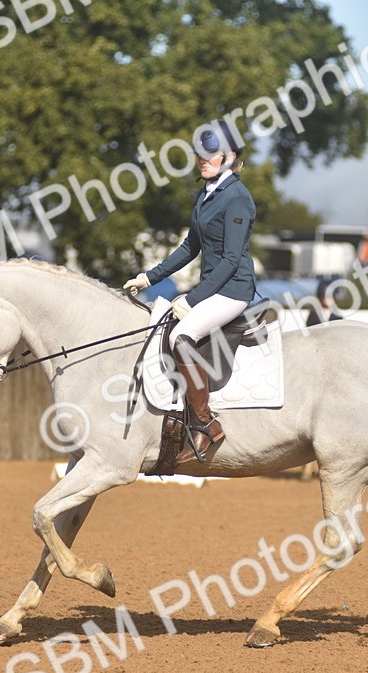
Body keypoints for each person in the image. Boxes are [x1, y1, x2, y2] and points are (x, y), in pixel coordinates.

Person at [123, 120, 256, 464]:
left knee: (182, 335)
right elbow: (189, 248)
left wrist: (192, 299)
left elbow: (230, 260)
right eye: (201, 153)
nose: (203, 159)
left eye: (211, 154)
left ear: (230, 157)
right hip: (214, 288)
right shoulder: (206, 195)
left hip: (233, 289)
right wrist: (148, 278)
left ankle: (205, 424)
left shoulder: (238, 198)